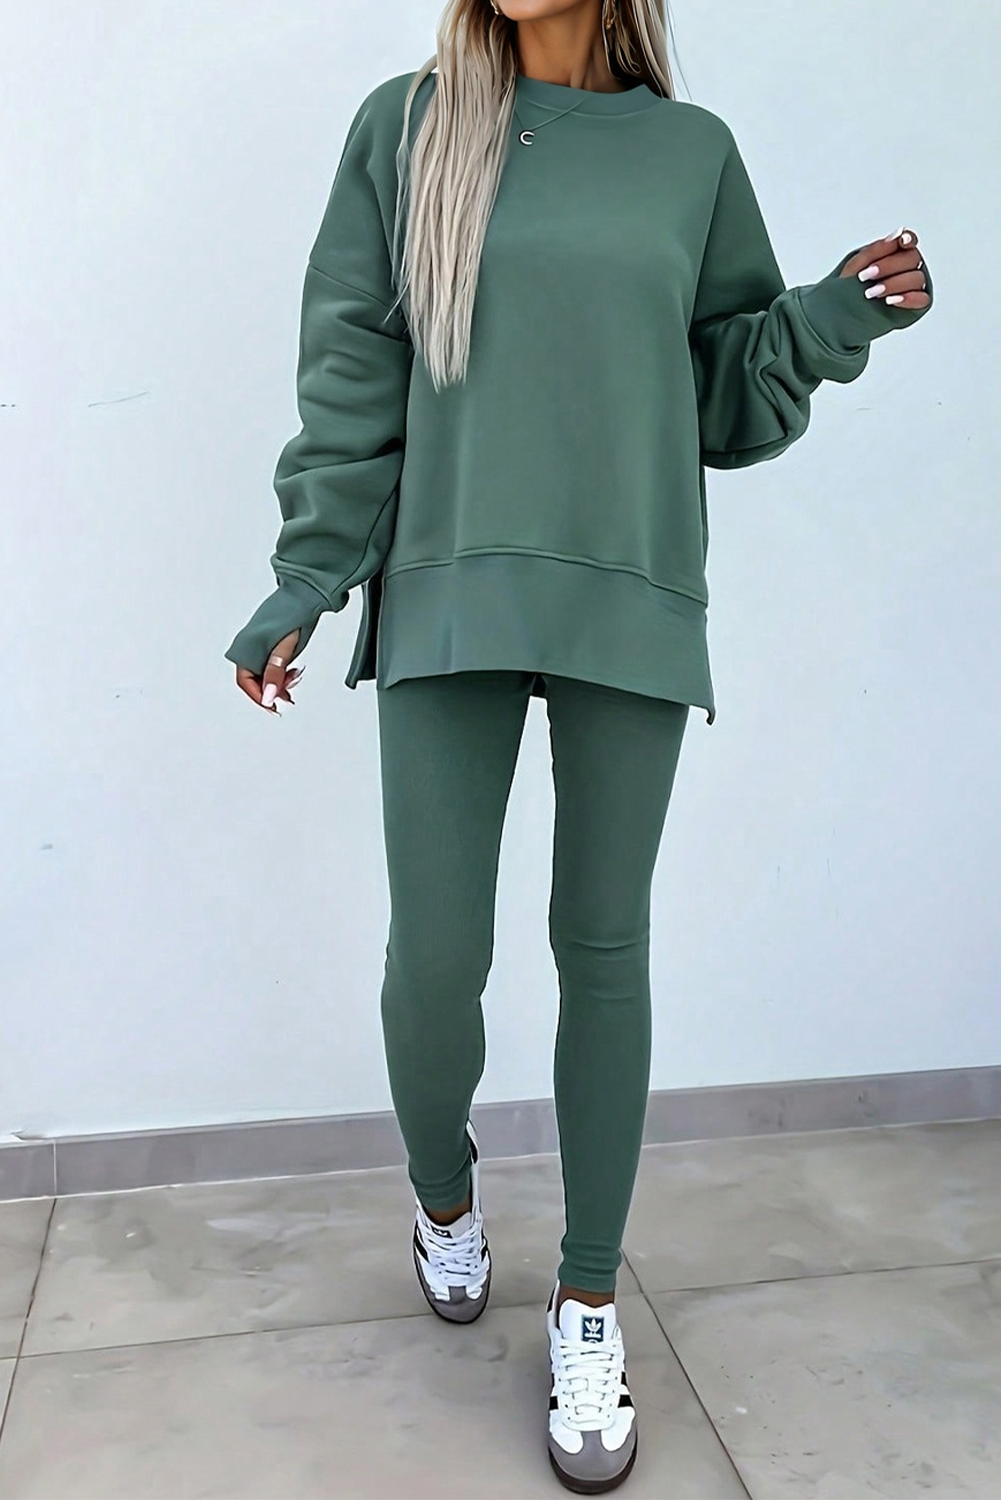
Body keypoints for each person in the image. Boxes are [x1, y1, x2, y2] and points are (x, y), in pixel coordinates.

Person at [224, 1, 932, 1490]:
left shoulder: (690, 153)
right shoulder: (407, 126)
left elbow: (721, 394)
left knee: (604, 944)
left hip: (630, 584)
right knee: (437, 955)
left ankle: (591, 1303)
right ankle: (443, 1201)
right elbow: (351, 363)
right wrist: (308, 577)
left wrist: (834, 317)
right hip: (448, 578)